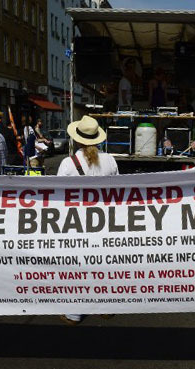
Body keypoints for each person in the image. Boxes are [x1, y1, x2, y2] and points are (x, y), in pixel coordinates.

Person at [57, 115, 118, 325]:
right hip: (105, 221)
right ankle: (106, 307)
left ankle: (74, 312)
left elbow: (59, 196)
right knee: (104, 265)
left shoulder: (67, 164)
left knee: (77, 267)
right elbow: (117, 191)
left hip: (76, 223)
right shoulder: (110, 160)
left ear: (77, 139)